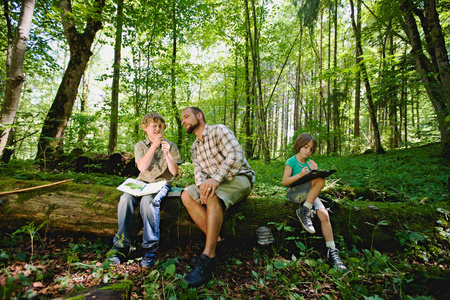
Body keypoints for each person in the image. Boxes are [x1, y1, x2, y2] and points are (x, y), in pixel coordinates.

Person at [180, 107, 255, 287]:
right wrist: (201, 187)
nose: (183, 121)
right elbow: (198, 173)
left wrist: (215, 180)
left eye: (186, 117)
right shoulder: (194, 147)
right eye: (182, 119)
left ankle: (208, 256)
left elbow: (236, 155)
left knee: (213, 193)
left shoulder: (219, 130)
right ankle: (219, 243)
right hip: (215, 183)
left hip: (240, 177)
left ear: (199, 116)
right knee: (186, 194)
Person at [110, 113, 182, 268]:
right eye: (153, 126)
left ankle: (150, 247)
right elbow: (142, 167)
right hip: (141, 183)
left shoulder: (171, 145)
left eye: (160, 126)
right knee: (125, 199)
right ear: (145, 128)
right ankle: (121, 245)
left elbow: (175, 172)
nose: (157, 129)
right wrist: (154, 146)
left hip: (161, 184)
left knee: (148, 202)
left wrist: (167, 154)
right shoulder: (140, 146)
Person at [282, 133, 346, 270]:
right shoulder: (291, 161)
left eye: (311, 149)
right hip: (294, 193)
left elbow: (313, 184)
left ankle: (332, 251)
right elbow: (285, 182)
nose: (308, 151)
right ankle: (304, 210)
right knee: (320, 181)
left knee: (324, 214)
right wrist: (300, 174)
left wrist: (314, 171)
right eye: (305, 147)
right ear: (299, 145)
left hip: (308, 197)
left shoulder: (310, 164)